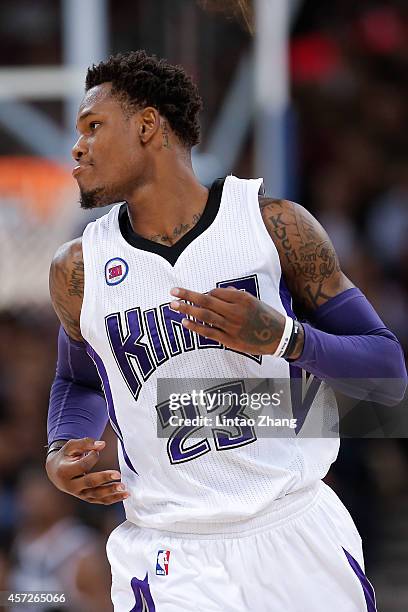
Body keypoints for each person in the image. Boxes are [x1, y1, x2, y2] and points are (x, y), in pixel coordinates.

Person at [45, 50, 406, 611]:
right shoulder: (78, 269)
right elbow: (80, 382)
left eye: (94, 127)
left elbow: (388, 378)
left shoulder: (274, 225)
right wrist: (62, 448)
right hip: (172, 552)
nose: (78, 147)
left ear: (148, 126)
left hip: (293, 526)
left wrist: (288, 340)